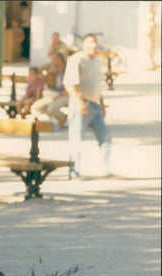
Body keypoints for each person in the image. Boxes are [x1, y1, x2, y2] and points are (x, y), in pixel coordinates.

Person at [63, 33, 111, 178]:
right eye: (90, 42)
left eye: (95, 42)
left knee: (105, 137)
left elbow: (97, 84)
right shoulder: (76, 59)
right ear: (84, 44)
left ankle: (105, 169)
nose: (93, 45)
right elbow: (68, 84)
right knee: (76, 139)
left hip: (95, 105)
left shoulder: (97, 60)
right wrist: (79, 102)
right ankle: (73, 171)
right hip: (81, 104)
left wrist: (101, 104)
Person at [32, 52, 69, 128]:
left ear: (59, 60)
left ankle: (62, 118)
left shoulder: (67, 70)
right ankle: (61, 117)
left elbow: (70, 88)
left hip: (66, 94)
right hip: (56, 94)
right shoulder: (55, 70)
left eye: (53, 60)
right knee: (36, 107)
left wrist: (58, 96)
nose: (51, 62)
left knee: (51, 108)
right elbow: (39, 71)